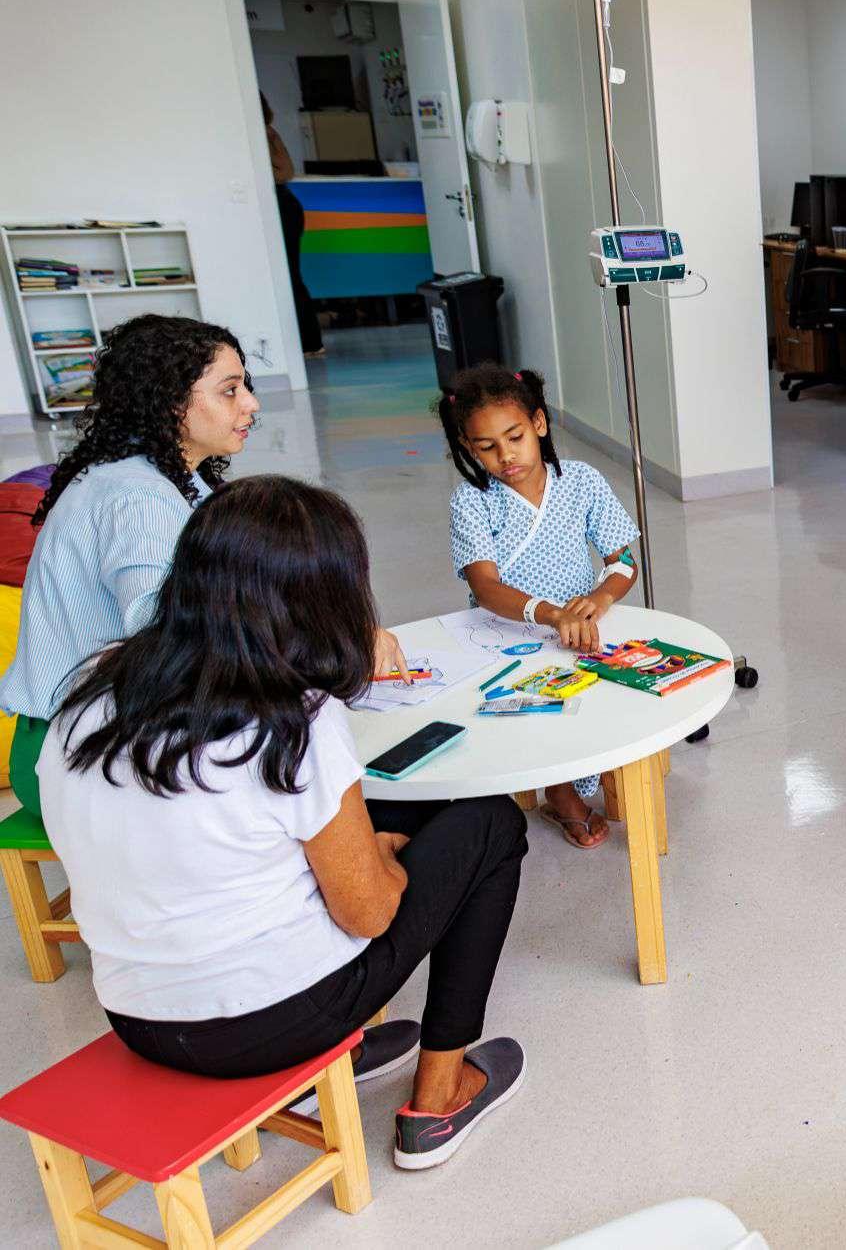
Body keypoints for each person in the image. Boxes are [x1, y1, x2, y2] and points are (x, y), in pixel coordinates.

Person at [39, 476, 528, 1172]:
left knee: (385, 817)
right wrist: (383, 858)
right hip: (273, 1020)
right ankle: (440, 1095)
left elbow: (185, 838)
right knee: (491, 824)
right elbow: (369, 912)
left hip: (135, 1015)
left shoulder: (92, 686)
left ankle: (338, 1057)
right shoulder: (294, 716)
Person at [0, 315, 404, 817]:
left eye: (245, 387)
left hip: (112, 729)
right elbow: (175, 637)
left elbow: (241, 598)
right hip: (74, 752)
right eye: (229, 391)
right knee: (317, 773)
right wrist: (327, 644)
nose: (251, 404)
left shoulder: (173, 478)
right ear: (171, 402)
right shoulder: (137, 497)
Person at [440, 365, 639, 849]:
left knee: (614, 688)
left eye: (515, 437)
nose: (506, 455)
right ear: (468, 447)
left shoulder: (582, 481)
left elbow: (624, 561)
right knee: (539, 704)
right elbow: (485, 587)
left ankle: (604, 761)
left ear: (539, 424)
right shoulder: (471, 501)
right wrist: (551, 614)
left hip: (581, 624)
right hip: (509, 630)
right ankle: (559, 789)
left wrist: (599, 599)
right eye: (487, 446)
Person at [264, 92, 324, 358]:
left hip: (283, 205)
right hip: (282, 205)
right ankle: (306, 341)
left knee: (290, 275)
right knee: (288, 275)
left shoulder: (265, 133)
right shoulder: (263, 132)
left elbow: (285, 171)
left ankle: (310, 342)